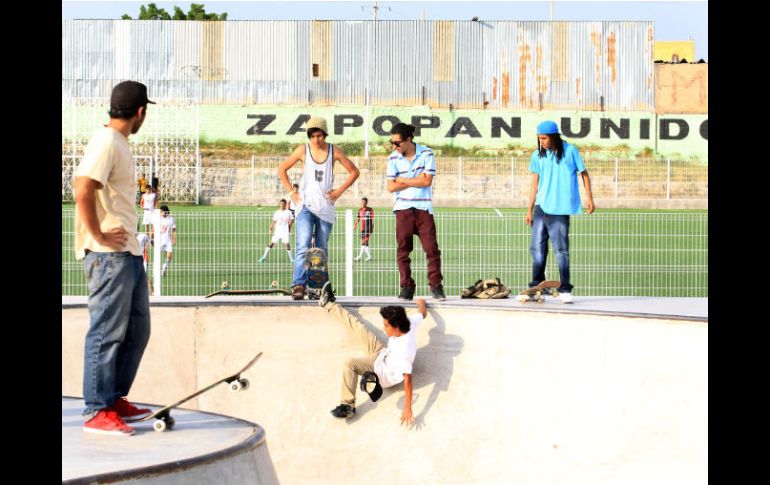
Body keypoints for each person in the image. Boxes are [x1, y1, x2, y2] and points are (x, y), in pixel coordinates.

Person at [73, 80, 155, 436]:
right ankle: (96, 408)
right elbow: (82, 187)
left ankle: (113, 397)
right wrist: (98, 235)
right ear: (140, 112)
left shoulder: (118, 142)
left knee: (137, 330)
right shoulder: (106, 141)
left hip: (127, 254)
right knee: (106, 331)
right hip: (108, 255)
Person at [318, 283, 425, 426]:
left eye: (386, 325)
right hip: (382, 354)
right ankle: (329, 303)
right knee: (359, 328)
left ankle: (347, 405)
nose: (384, 327)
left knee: (350, 364)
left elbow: (408, 379)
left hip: (381, 373)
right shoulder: (409, 322)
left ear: (397, 326)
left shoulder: (404, 351)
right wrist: (421, 303)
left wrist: (408, 408)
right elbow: (422, 313)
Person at [277, 116, 359, 300]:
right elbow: (281, 169)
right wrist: (292, 193)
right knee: (303, 244)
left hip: (325, 207)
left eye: (320, 135)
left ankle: (317, 288)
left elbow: (354, 171)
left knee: (321, 248)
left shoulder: (334, 151)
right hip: (305, 205)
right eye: (312, 136)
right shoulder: (303, 150)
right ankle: (298, 285)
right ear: (309, 136)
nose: (316, 140)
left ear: (325, 134)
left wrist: (338, 191)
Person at [525, 120, 595, 303]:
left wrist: (589, 199)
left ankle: (565, 289)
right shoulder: (537, 156)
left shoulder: (571, 151)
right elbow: (534, 184)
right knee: (537, 249)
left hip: (560, 209)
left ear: (554, 136)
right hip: (541, 207)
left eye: (545, 138)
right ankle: (536, 286)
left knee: (561, 250)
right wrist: (529, 209)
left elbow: (584, 174)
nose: (542, 142)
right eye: (539, 139)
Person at [386, 123, 445, 300]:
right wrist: (416, 179)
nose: (394, 146)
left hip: (423, 209)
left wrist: (403, 179)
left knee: (432, 249)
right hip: (402, 210)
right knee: (403, 251)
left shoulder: (427, 153)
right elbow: (391, 186)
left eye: (398, 143)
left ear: (409, 140)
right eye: (392, 142)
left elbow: (427, 182)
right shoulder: (392, 159)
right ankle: (406, 287)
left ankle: (436, 286)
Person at [259, 199, 295, 263]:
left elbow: (292, 219)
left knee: (287, 244)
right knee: (271, 243)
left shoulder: (288, 212)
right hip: (277, 231)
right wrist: (271, 227)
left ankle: (292, 259)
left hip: (285, 231)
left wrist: (289, 225)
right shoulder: (277, 212)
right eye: (280, 204)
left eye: (283, 204)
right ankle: (263, 257)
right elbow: (274, 220)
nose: (281, 205)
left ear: (285, 204)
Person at [353, 197, 374, 261]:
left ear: (366, 203)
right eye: (362, 202)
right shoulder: (360, 210)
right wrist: (355, 224)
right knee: (365, 242)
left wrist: (372, 227)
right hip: (362, 228)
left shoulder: (370, 210)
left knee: (364, 242)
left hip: (368, 228)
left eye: (364, 202)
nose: (363, 203)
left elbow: (373, 219)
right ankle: (369, 256)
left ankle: (360, 256)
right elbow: (358, 218)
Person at [158, 205, 177, 277]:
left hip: (168, 240)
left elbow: (174, 230)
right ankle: (155, 271)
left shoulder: (171, 219)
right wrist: (152, 238)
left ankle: (164, 269)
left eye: (161, 211)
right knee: (157, 257)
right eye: (160, 211)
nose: (160, 213)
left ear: (165, 212)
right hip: (159, 240)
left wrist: (174, 239)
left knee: (169, 256)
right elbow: (153, 229)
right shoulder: (158, 219)